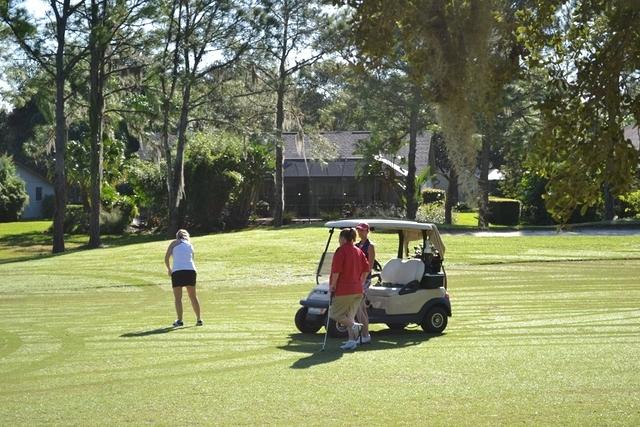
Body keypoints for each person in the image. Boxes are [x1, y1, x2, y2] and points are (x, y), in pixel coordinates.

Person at [329, 228, 370, 350]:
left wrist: (333, 286)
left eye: (339, 238)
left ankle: (355, 326)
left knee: (335, 314)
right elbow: (366, 269)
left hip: (344, 289)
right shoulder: (358, 251)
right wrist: (360, 282)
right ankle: (352, 341)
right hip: (357, 290)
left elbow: (336, 271)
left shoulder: (341, 251)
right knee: (349, 316)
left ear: (343, 238)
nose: (338, 240)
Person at [164, 229, 202, 327]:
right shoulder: (190, 245)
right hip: (191, 271)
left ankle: (180, 320)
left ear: (177, 236)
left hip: (178, 271)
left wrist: (169, 269)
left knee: (178, 298)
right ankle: (199, 319)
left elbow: (166, 257)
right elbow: (192, 259)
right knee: (193, 296)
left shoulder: (174, 243)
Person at [355, 222, 376, 344]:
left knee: (360, 307)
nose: (360, 232)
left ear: (367, 231)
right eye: (358, 230)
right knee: (360, 308)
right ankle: (364, 334)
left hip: (365, 279)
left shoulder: (370, 246)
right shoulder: (356, 245)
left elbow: (370, 265)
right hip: (357, 279)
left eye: (362, 230)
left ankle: (365, 334)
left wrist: (362, 279)